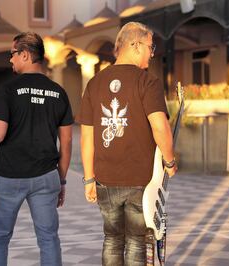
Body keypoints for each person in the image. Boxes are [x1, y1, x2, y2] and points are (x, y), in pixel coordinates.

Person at [0, 32, 73, 266]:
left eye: (12, 54)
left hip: (10, 177)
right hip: (46, 177)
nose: (10, 60)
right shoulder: (59, 92)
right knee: (49, 239)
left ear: (25, 54)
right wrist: (61, 180)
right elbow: (67, 141)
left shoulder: (9, 90)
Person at [76, 22, 177, 265]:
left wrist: (89, 178)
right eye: (150, 48)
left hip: (105, 179)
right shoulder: (147, 82)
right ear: (135, 45)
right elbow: (160, 126)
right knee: (135, 240)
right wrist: (169, 160)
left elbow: (87, 136)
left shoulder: (95, 83)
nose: (151, 55)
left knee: (112, 239)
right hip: (139, 179)